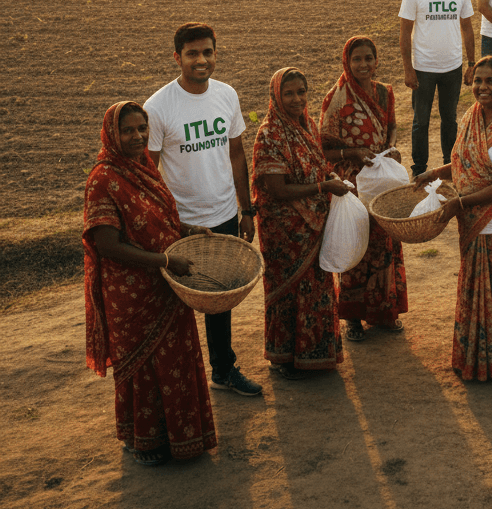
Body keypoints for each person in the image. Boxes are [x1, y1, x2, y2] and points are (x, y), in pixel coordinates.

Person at [84, 101, 217, 466]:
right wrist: (165, 261)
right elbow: (107, 245)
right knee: (143, 366)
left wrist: (189, 230)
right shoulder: (103, 179)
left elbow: (163, 218)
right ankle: (145, 442)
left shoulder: (144, 167)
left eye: (142, 129)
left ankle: (184, 438)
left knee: (175, 357)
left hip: (166, 283)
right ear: (112, 134)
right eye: (128, 130)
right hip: (131, 292)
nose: (137, 136)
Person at [145, 22, 262, 397]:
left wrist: (246, 210)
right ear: (177, 57)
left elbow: (237, 154)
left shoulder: (227, 95)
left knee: (218, 297)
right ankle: (178, 383)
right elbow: (147, 172)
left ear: (216, 53)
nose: (202, 60)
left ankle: (223, 370)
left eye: (208, 52)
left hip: (225, 212)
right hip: (180, 223)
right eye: (193, 53)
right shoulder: (158, 107)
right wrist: (166, 222)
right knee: (173, 305)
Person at [415, 57, 492, 385]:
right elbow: (461, 160)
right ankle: (478, 357)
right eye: (477, 82)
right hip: (476, 219)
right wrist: (434, 172)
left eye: (490, 82)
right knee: (479, 289)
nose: (482, 88)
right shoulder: (472, 116)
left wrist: (460, 203)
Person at [252, 68, 349, 377]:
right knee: (288, 289)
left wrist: (328, 177)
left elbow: (316, 164)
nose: (297, 99)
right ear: (276, 97)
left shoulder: (306, 124)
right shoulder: (270, 133)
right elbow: (277, 190)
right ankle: (285, 357)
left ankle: (317, 353)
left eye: (301, 92)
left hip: (313, 223)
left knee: (318, 285)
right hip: (285, 229)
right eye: (289, 93)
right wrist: (322, 188)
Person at [320, 36, 408, 342]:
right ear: (347, 62)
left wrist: (392, 147)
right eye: (356, 59)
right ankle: (354, 317)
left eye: (369, 58)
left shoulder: (385, 93)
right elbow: (324, 150)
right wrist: (352, 154)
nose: (363, 65)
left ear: (377, 60)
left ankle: (384, 311)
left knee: (385, 241)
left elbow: (393, 125)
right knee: (357, 242)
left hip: (381, 179)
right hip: (354, 183)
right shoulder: (337, 99)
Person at [399, 0, 476, 178]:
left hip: (452, 67)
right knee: (420, 122)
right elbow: (404, 32)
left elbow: (467, 28)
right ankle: (419, 169)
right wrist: (408, 69)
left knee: (449, 121)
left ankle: (448, 166)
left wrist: (472, 64)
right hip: (423, 68)